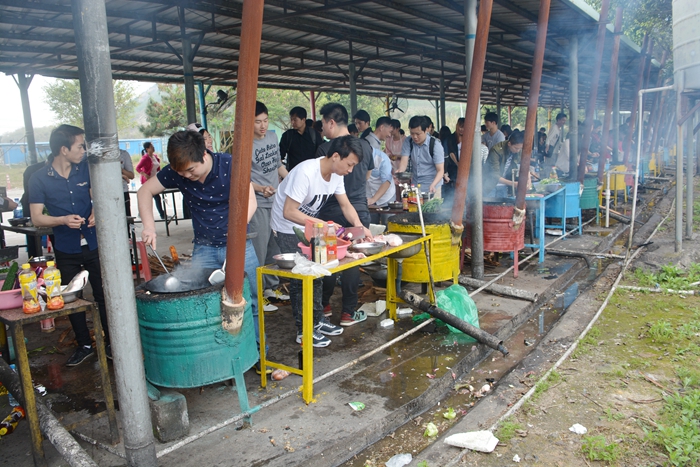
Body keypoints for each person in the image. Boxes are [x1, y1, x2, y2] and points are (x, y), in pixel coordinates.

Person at [137, 130, 262, 347]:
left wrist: (237, 228)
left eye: (190, 170)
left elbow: (250, 199)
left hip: (240, 246)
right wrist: (149, 227)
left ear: (204, 154)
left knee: (249, 301)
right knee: (203, 304)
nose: (186, 176)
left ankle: (258, 351)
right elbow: (145, 191)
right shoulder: (178, 172)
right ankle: (220, 353)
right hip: (203, 250)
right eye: (181, 172)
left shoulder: (230, 164)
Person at [270, 134, 371, 347]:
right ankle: (304, 331)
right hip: (287, 227)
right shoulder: (306, 172)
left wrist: (362, 228)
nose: (351, 170)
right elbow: (289, 212)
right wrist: (322, 225)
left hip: (311, 226)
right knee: (301, 278)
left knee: (316, 272)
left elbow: (346, 205)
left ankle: (317, 321)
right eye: (350, 164)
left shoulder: (336, 175)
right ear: (336, 156)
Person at [29, 124, 111, 367]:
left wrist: (96, 210)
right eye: (80, 146)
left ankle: (110, 343)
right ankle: (84, 345)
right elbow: (36, 218)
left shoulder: (85, 169)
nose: (84, 150)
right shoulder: (39, 179)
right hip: (66, 248)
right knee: (72, 299)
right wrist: (62, 220)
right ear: (64, 149)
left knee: (102, 294)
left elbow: (98, 195)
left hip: (94, 243)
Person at [317, 103, 375, 328]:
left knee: (330, 258)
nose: (322, 129)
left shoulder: (325, 150)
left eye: (323, 124)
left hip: (331, 210)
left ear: (331, 122)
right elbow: (367, 176)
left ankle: (325, 305)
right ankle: (348, 312)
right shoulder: (366, 146)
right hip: (358, 207)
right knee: (353, 260)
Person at [249, 101, 290, 311]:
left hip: (276, 202)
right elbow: (243, 180)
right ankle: (256, 297)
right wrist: (260, 189)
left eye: (265, 121)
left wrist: (291, 180)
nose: (263, 126)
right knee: (258, 249)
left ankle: (271, 289)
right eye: (257, 122)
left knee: (275, 248)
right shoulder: (245, 144)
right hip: (258, 203)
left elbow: (278, 166)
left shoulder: (273, 136)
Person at [397, 116, 445, 197]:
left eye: (418, 134)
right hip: (415, 186)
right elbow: (404, 161)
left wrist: (433, 184)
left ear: (426, 130)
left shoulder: (435, 144)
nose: (415, 137)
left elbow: (440, 170)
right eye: (412, 133)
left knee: (431, 209)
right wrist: (400, 171)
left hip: (433, 185)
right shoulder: (408, 141)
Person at [482, 129, 528, 198]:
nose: (518, 151)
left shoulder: (518, 151)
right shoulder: (496, 151)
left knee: (503, 207)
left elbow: (525, 165)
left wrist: (528, 179)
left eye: (519, 149)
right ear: (509, 144)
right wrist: (514, 184)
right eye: (516, 148)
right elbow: (495, 175)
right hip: (490, 186)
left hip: (503, 186)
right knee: (490, 206)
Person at [279, 106, 322, 172]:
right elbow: (280, 156)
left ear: (303, 120)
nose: (292, 122)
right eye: (291, 120)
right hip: (293, 173)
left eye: (295, 120)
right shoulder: (287, 136)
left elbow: (320, 156)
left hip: (311, 173)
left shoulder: (314, 134)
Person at [136, 142, 166, 219]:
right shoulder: (145, 158)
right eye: (151, 147)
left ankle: (141, 212)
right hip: (148, 181)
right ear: (147, 149)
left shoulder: (155, 157)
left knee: (150, 197)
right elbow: (137, 168)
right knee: (156, 197)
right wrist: (145, 175)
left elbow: (157, 168)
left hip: (154, 180)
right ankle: (162, 215)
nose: (153, 148)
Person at [442, 118, 464, 204]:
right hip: (452, 169)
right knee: (452, 192)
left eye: (464, 127)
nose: (461, 129)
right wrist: (458, 164)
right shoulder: (450, 138)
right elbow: (450, 152)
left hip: (464, 170)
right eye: (460, 127)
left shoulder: (469, 138)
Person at [543, 112, 568, 178]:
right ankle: (547, 179)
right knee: (549, 166)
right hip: (551, 151)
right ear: (558, 120)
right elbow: (548, 138)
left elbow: (558, 142)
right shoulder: (554, 128)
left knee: (553, 166)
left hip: (555, 151)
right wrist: (547, 147)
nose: (564, 122)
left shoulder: (558, 129)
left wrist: (565, 144)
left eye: (565, 120)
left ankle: (551, 179)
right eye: (563, 120)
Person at [120, 149, 135, 217]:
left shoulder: (124, 154)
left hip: (123, 191)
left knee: (126, 217)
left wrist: (121, 170)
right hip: (108, 193)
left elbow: (131, 175)